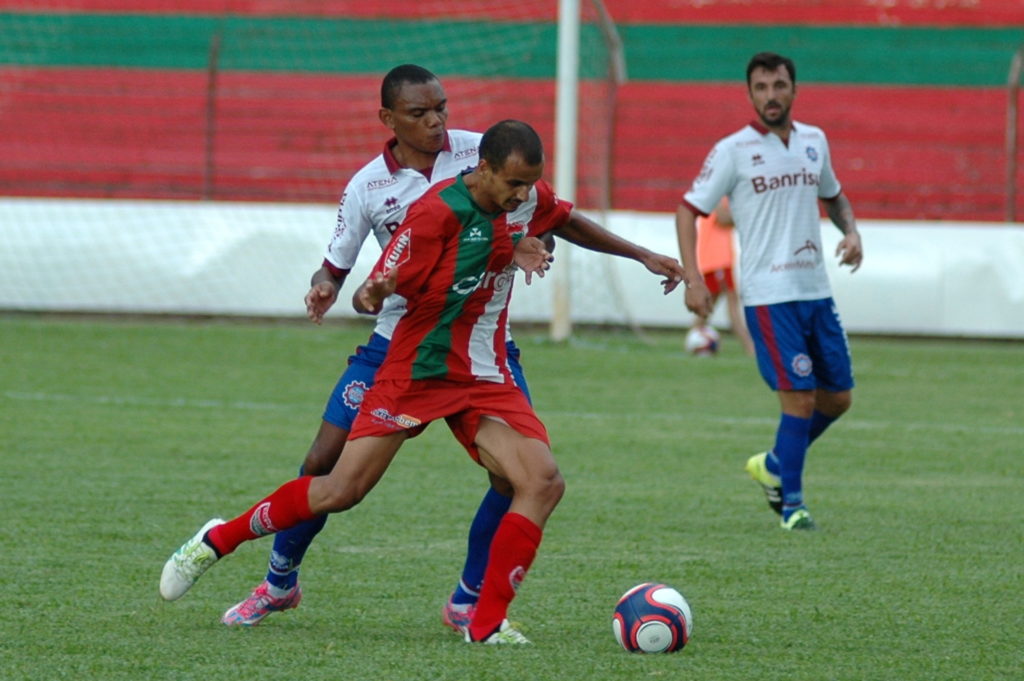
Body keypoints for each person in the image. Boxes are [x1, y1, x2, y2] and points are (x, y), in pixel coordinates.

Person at [161, 120, 684, 645]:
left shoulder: (524, 197)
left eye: (530, 185)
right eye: (513, 185)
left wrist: (642, 255)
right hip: (418, 369)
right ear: (484, 170)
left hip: (484, 372)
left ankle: (483, 623)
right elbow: (371, 295)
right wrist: (378, 289)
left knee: (541, 481)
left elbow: (562, 218)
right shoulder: (434, 213)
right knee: (340, 490)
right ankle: (220, 539)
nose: (524, 196)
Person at [675, 52, 863, 531]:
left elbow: (833, 194)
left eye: (779, 85)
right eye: (761, 87)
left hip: (815, 290)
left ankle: (776, 463)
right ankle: (792, 504)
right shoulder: (732, 150)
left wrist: (852, 231)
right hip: (767, 295)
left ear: (794, 90)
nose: (771, 96)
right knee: (798, 397)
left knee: (837, 398)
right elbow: (688, 209)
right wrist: (694, 278)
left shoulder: (814, 142)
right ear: (750, 93)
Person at [691, 197, 754, 355]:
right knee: (732, 303)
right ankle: (751, 348)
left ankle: (694, 338)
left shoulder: (717, 194)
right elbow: (723, 219)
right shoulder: (718, 195)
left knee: (709, 303)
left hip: (716, 258)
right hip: (717, 259)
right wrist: (747, 214)